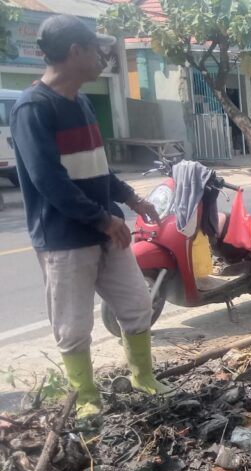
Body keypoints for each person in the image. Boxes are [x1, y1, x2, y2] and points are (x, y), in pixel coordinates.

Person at [11, 15, 170, 422]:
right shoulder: (33, 108)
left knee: (137, 304)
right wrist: (102, 220)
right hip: (65, 238)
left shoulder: (81, 102)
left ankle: (143, 378)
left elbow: (97, 169)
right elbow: (49, 180)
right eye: (96, 49)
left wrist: (131, 198)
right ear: (75, 52)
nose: (103, 57)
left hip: (106, 231)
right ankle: (85, 397)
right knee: (73, 324)